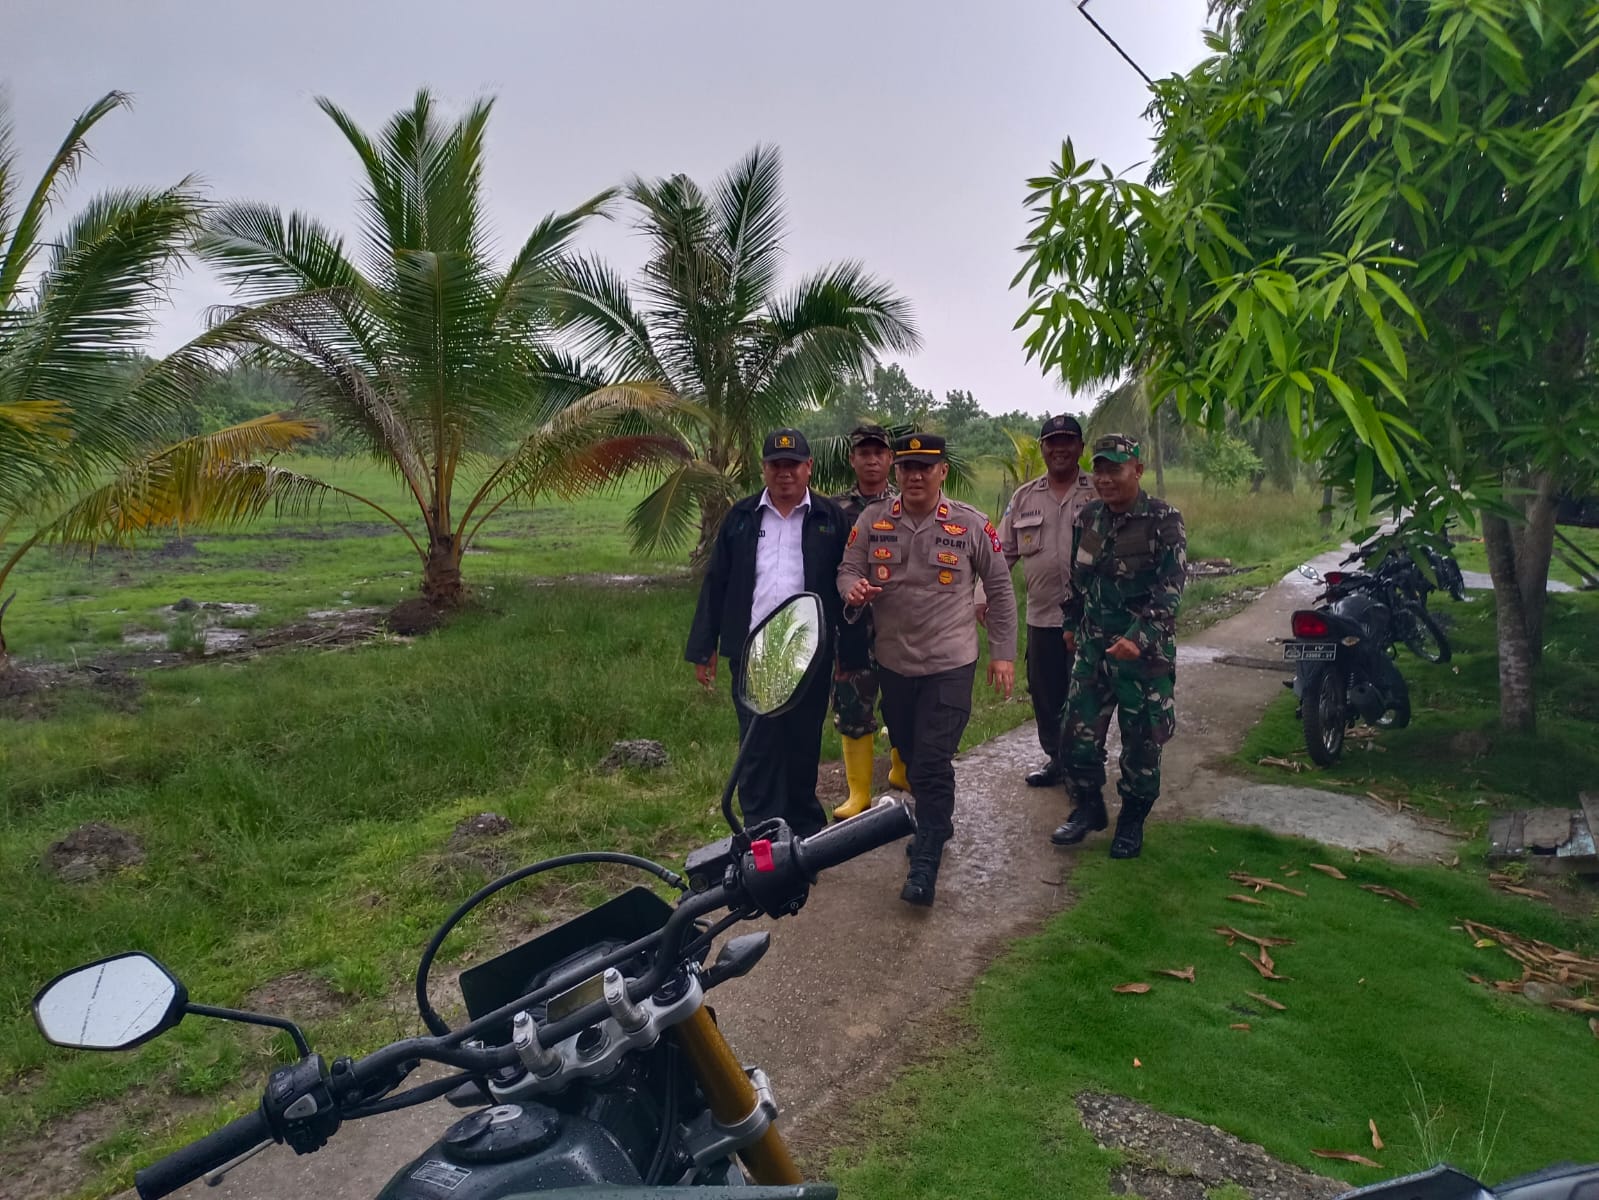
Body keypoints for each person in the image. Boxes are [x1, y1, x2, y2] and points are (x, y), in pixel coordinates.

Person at [838, 433, 1018, 906]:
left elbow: (999, 588)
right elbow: (847, 567)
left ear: (942, 472)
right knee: (914, 758)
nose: (915, 476)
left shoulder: (971, 524)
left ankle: (926, 861)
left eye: (926, 467)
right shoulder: (872, 520)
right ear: (897, 472)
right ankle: (938, 821)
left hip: (950, 663)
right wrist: (852, 587)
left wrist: (1002, 652)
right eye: (908, 468)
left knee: (933, 760)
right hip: (895, 664)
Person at [685, 428, 851, 839]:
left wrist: (850, 655)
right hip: (752, 651)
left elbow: (846, 585)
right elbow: (717, 582)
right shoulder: (741, 518)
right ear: (764, 469)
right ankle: (763, 835)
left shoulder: (830, 519)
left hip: (807, 653)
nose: (785, 474)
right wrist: (704, 646)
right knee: (757, 747)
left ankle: (806, 836)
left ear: (808, 468)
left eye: (793, 465)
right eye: (776, 466)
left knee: (802, 743)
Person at [1050, 433, 1187, 859]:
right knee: (1075, 738)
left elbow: (1171, 590)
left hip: (1144, 659)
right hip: (1094, 651)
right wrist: (1071, 624)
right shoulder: (1090, 518)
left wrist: (1138, 637)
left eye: (1114, 468)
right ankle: (1088, 808)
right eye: (1099, 469)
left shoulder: (1164, 520)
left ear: (1137, 470)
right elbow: (1079, 578)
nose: (1105, 478)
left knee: (1142, 745)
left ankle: (1131, 819)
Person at [990, 413, 1096, 789]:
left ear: (1080, 448)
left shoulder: (1098, 492)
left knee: (1084, 697)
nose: (1060, 449)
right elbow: (1000, 554)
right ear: (1043, 449)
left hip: (1090, 620)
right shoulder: (1024, 497)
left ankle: (1081, 770)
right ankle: (1057, 759)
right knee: (1045, 695)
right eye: (1052, 442)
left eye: (1068, 441)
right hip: (1042, 616)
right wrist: (980, 595)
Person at [828, 423, 909, 819]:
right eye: (864, 452)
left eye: (880, 452)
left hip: (900, 623)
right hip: (853, 623)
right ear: (853, 459)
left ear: (890, 459)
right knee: (853, 704)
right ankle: (858, 791)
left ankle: (901, 770)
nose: (872, 459)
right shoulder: (833, 509)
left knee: (902, 700)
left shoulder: (906, 504)